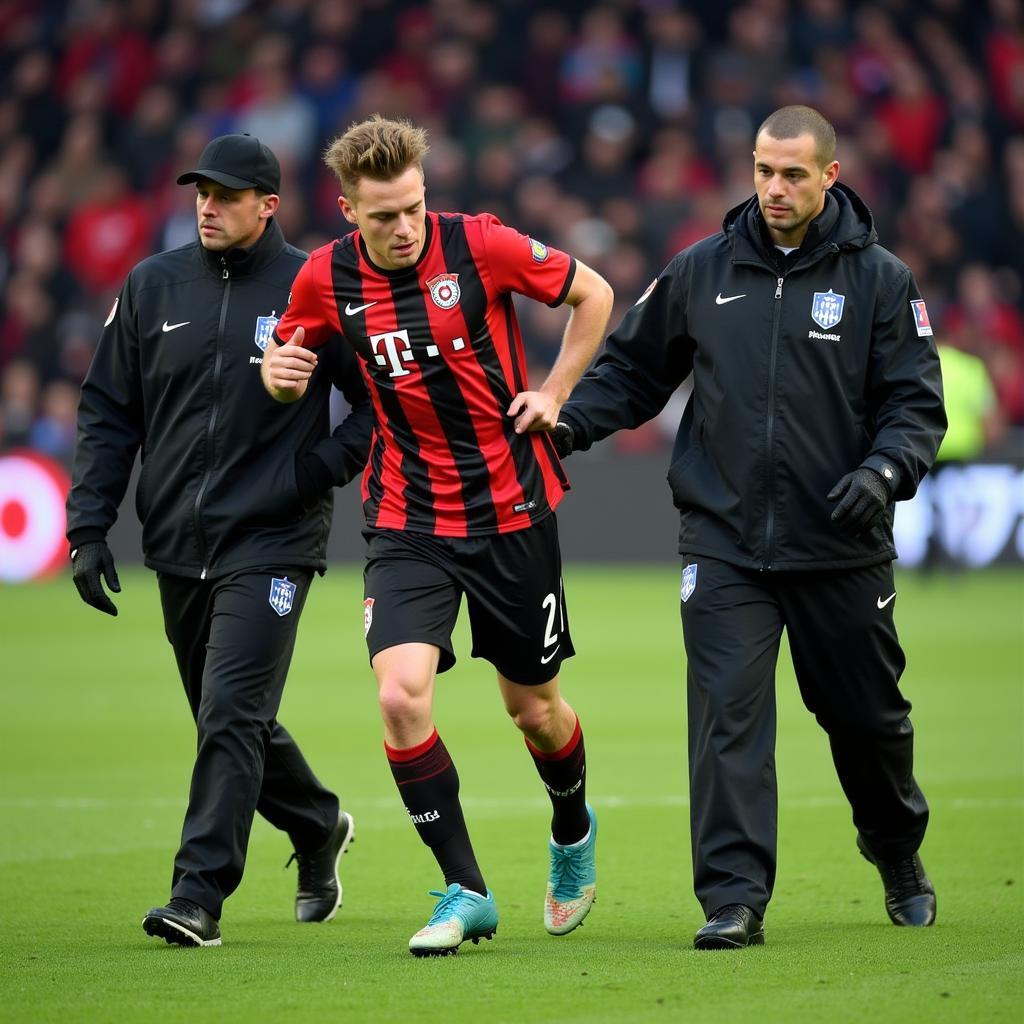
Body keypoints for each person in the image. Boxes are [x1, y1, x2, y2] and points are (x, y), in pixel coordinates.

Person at [553, 106, 946, 949]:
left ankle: (896, 852)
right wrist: (566, 422)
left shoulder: (880, 281)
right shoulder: (702, 269)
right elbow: (629, 370)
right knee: (728, 716)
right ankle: (733, 898)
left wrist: (883, 473)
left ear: (830, 176)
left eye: (793, 173)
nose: (774, 187)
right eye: (764, 170)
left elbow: (915, 407)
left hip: (840, 543)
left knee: (866, 721)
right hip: (724, 539)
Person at [262, 115, 614, 956]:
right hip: (405, 516)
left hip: (511, 511)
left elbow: (593, 293)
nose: (403, 226)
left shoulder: (481, 245)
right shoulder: (324, 278)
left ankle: (572, 830)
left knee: (533, 709)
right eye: (383, 215)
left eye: (413, 207)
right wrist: (280, 377)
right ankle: (467, 888)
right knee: (399, 694)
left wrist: (557, 391)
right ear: (349, 211)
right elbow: (287, 357)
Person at [66, 133, 372, 948]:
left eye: (228, 194)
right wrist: (88, 526)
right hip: (175, 540)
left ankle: (197, 895)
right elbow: (108, 413)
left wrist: (316, 471)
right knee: (227, 718)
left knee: (231, 713)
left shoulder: (316, 286)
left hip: (273, 541)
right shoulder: (151, 285)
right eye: (201, 190)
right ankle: (316, 825)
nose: (208, 204)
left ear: (268, 204)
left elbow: (375, 409)